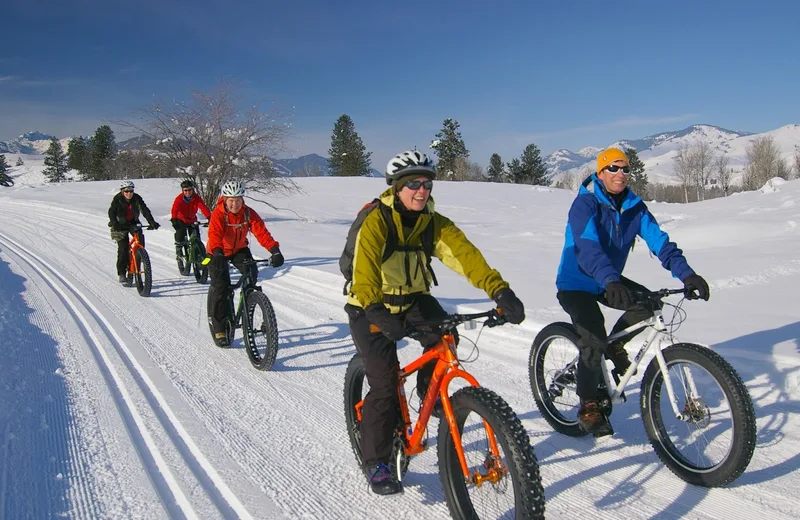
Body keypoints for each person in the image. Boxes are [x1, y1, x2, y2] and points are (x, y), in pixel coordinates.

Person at [345, 150, 526, 496]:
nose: (421, 190)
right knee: (383, 383)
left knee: (445, 336)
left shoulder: (434, 223)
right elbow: (364, 274)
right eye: (413, 183)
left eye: (427, 184)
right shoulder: (377, 222)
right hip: (370, 306)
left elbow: (466, 257)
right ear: (397, 188)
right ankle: (377, 462)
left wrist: (499, 290)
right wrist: (377, 311)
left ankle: (429, 393)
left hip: (413, 299)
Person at [555, 147, 710, 434]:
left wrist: (687, 275)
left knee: (650, 304)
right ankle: (589, 403)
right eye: (613, 168)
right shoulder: (585, 204)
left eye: (625, 169)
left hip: (608, 279)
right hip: (576, 282)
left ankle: (615, 345)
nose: (620, 174)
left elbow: (661, 243)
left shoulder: (635, 208)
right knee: (592, 335)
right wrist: (610, 279)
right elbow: (587, 248)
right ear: (600, 173)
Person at [204, 180, 284, 346]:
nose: (235, 204)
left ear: (243, 200)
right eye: (231, 200)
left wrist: (274, 250)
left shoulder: (248, 214)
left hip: (239, 250)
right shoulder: (218, 214)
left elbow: (261, 232)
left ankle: (250, 303)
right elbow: (214, 234)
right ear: (225, 200)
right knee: (220, 286)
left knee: (251, 274)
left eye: (238, 200)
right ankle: (219, 327)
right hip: (218, 251)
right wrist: (217, 252)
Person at [108, 180, 160, 283]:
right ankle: (122, 272)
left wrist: (152, 222)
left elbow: (144, 210)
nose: (129, 193)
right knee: (123, 248)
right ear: (122, 191)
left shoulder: (137, 198)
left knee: (140, 242)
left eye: (131, 191)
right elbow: (112, 212)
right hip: (119, 224)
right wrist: (114, 223)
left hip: (133, 222)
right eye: (126, 191)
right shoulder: (117, 199)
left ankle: (138, 261)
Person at [170, 179, 211, 258]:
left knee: (196, 237)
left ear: (192, 189)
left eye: (189, 190)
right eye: (185, 190)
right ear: (182, 191)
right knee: (180, 234)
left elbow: (203, 207)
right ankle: (179, 248)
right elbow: (174, 209)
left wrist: (209, 217)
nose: (187, 192)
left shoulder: (196, 198)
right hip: (181, 219)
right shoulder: (179, 199)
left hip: (192, 220)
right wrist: (174, 219)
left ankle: (198, 255)